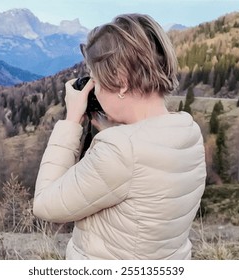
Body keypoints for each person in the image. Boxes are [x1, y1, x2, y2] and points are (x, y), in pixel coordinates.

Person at [32, 13, 206, 260]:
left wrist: (71, 122)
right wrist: (112, 129)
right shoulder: (188, 132)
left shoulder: (120, 150)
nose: (97, 91)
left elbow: (44, 204)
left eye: (98, 82)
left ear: (122, 83)